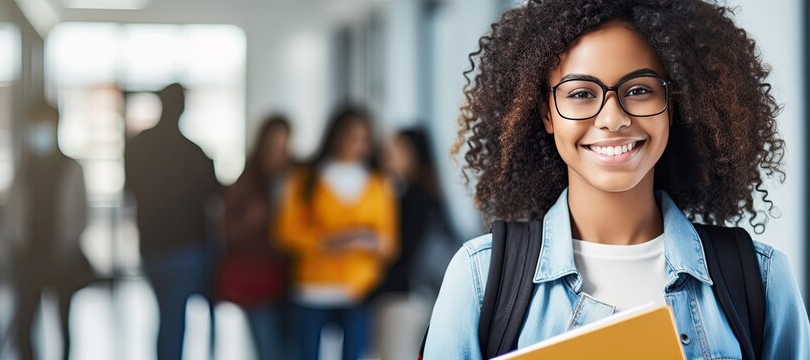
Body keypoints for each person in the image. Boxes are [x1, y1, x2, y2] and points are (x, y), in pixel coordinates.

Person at [423, 0, 809, 359]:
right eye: (581, 93)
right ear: (545, 112)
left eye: (639, 89)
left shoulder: (762, 279)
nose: (612, 118)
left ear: (672, 105)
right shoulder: (479, 278)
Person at [275, 107, 397, 360]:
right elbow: (286, 231)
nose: (356, 143)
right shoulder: (305, 178)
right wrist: (327, 242)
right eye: (350, 135)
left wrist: (368, 241)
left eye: (362, 137)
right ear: (334, 135)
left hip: (358, 289)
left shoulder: (378, 184)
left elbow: (390, 244)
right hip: (312, 287)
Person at [124, 83, 221, 360]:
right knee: (173, 316)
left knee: (167, 313)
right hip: (185, 246)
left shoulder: (140, 145)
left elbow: (130, 189)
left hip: (153, 245)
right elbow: (213, 196)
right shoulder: (194, 152)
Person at [13, 100, 93, 360]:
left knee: (63, 323)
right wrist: (15, 245)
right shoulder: (24, 169)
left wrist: (69, 243)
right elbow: (12, 214)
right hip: (30, 257)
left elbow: (82, 213)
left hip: (61, 258)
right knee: (23, 326)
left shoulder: (71, 167)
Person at [373, 128, 456, 359]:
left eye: (398, 149)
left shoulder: (414, 197)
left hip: (403, 295)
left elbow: (403, 251)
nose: (387, 155)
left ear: (415, 155)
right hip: (413, 295)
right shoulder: (420, 193)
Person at [218, 115, 294, 360]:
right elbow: (226, 229)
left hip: (294, 278)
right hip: (261, 279)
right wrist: (251, 222)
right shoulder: (247, 181)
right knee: (269, 351)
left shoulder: (297, 178)